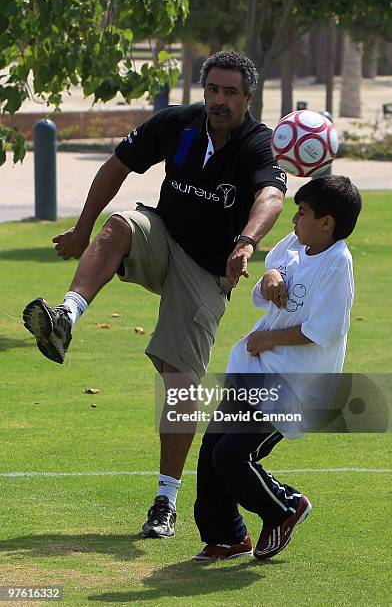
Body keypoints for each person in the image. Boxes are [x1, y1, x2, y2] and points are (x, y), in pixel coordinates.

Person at [22, 50, 287, 539]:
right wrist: (82, 228)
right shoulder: (178, 123)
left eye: (230, 92)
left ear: (249, 97)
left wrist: (247, 241)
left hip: (210, 269)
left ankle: (165, 501)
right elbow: (118, 165)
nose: (219, 100)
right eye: (212, 90)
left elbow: (271, 196)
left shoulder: (258, 143)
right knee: (119, 224)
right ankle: (66, 317)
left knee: (179, 380)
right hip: (163, 237)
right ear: (202, 91)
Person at [193, 175, 362, 560]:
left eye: (301, 213)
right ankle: (227, 536)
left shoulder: (337, 264)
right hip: (255, 371)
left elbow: (326, 330)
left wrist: (268, 339)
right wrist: (269, 275)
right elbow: (273, 268)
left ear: (327, 222)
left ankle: (285, 508)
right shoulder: (297, 244)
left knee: (232, 456)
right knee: (213, 448)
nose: (293, 221)